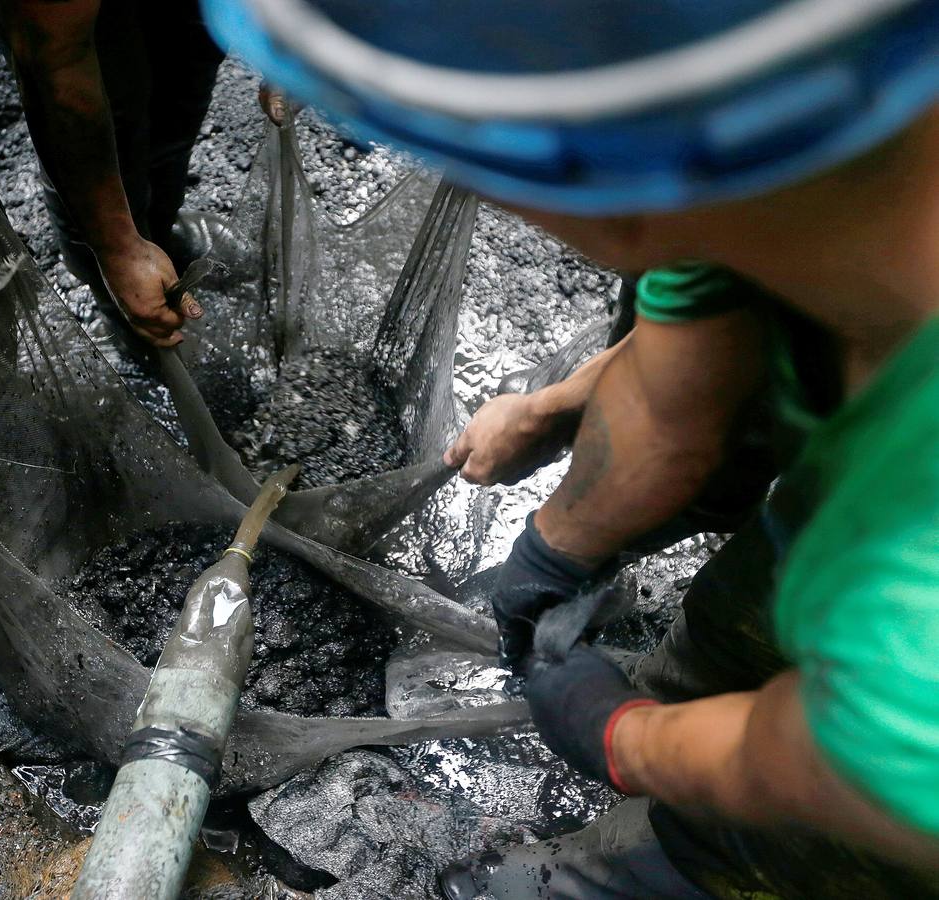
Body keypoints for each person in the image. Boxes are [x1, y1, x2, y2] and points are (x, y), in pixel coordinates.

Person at [202, 0, 939, 897]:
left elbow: (823, 770)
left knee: (782, 855)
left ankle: (645, 866)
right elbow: (675, 388)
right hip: (853, 562)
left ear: (619, 201)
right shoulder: (803, 161)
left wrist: (623, 739)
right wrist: (555, 531)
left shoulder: (913, 607)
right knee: (745, 626)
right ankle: (681, 704)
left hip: (881, 800)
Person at [0, 0, 226, 347]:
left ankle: (157, 231)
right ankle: (120, 297)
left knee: (182, 69)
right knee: (109, 104)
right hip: (55, 22)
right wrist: (118, 248)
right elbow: (56, 67)